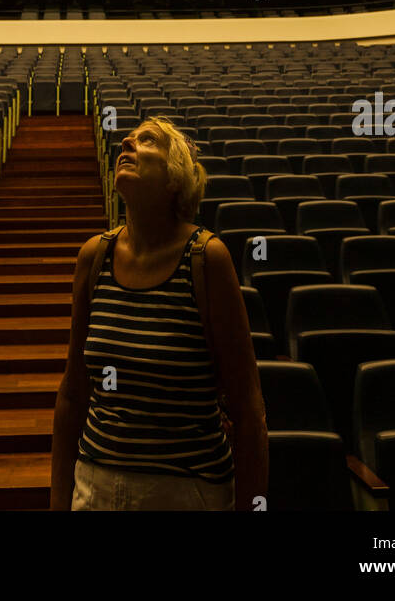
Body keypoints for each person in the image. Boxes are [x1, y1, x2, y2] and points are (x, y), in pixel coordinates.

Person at [50, 115, 268, 510]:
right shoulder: (94, 256)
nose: (126, 145)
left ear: (175, 177)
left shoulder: (207, 259)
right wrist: (58, 500)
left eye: (146, 141)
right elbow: (73, 392)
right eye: (127, 140)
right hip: (94, 486)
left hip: (187, 491)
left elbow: (247, 405)